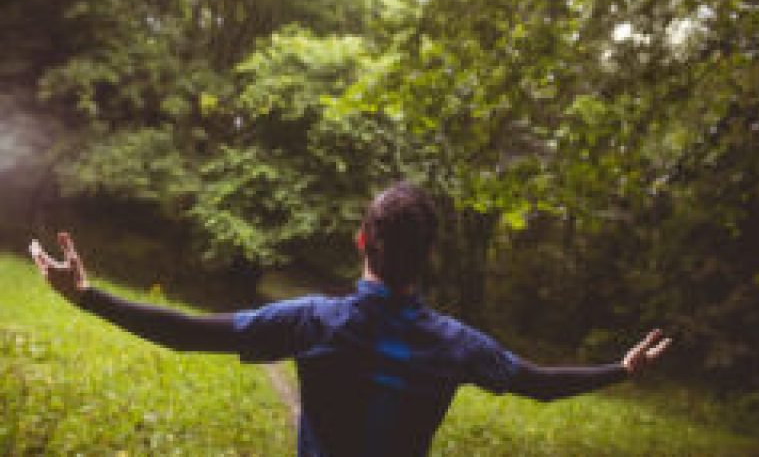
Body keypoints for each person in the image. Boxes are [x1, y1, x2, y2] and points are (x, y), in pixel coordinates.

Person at [30, 181, 672, 457]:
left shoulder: (314, 322)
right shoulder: (457, 346)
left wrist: (89, 296)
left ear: (361, 242)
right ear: (429, 258)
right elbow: (535, 381)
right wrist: (620, 369)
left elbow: (190, 333)